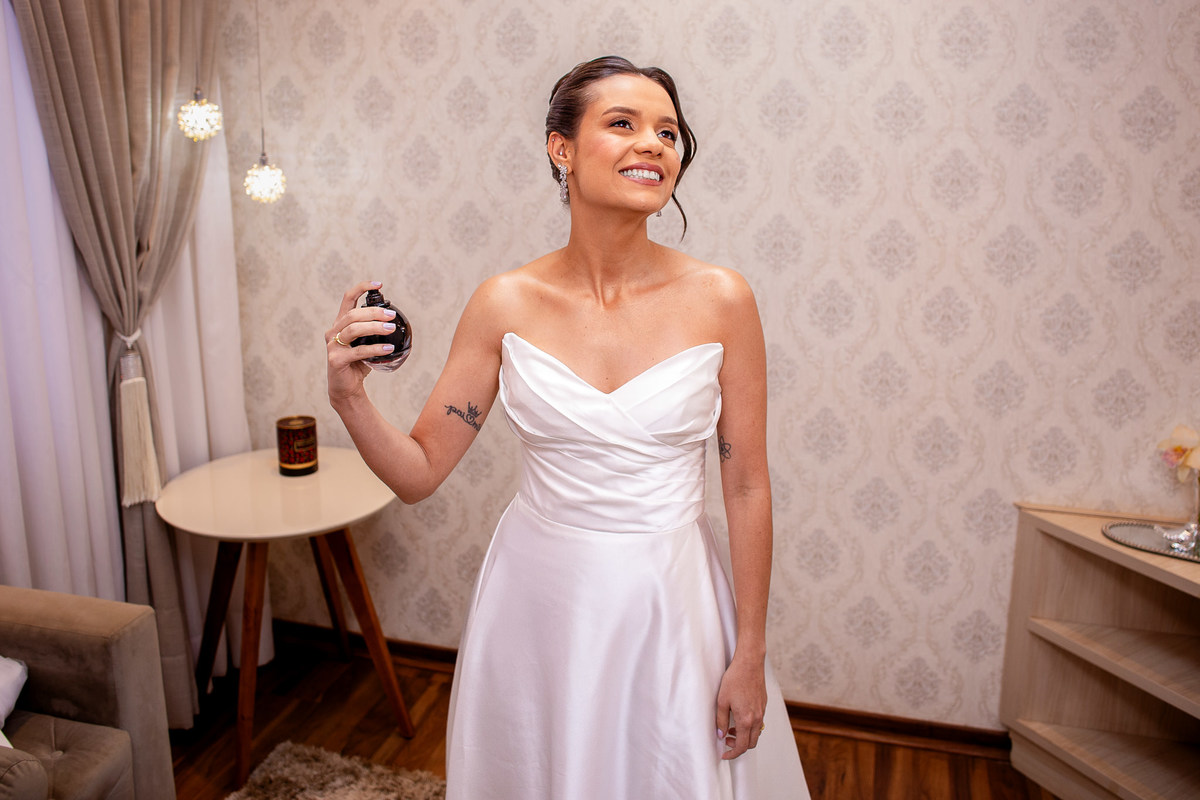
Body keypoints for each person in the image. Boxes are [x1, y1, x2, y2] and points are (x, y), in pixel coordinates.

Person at [326, 55, 808, 800]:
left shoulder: (722, 299)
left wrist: (750, 652)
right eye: (622, 123)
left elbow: (746, 485)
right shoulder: (504, 303)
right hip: (537, 604)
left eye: (668, 132)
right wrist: (350, 399)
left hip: (669, 602)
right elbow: (419, 474)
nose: (653, 144)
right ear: (562, 149)